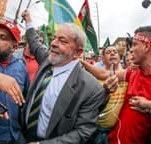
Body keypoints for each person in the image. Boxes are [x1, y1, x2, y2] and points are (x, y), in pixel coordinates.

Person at [21, 10, 108, 144]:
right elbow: (34, 42)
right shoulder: (47, 59)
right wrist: (28, 21)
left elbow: (83, 132)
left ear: (77, 52)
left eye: (62, 41)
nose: (53, 43)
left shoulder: (91, 89)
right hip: (22, 136)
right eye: (54, 38)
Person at [83, 45, 127, 144]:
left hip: (119, 130)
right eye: (108, 52)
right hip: (98, 130)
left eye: (114, 52)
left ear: (119, 57)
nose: (112, 53)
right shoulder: (93, 79)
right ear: (102, 59)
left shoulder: (127, 75)